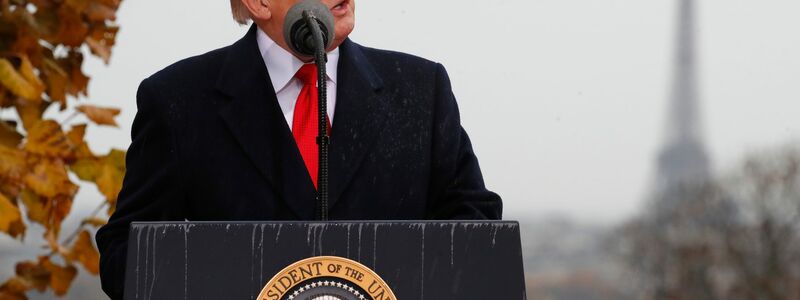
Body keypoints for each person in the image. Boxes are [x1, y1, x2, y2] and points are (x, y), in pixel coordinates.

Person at [95, 0, 502, 298]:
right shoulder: (177, 100)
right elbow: (126, 256)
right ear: (258, 3)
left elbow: (476, 232)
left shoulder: (419, 88)